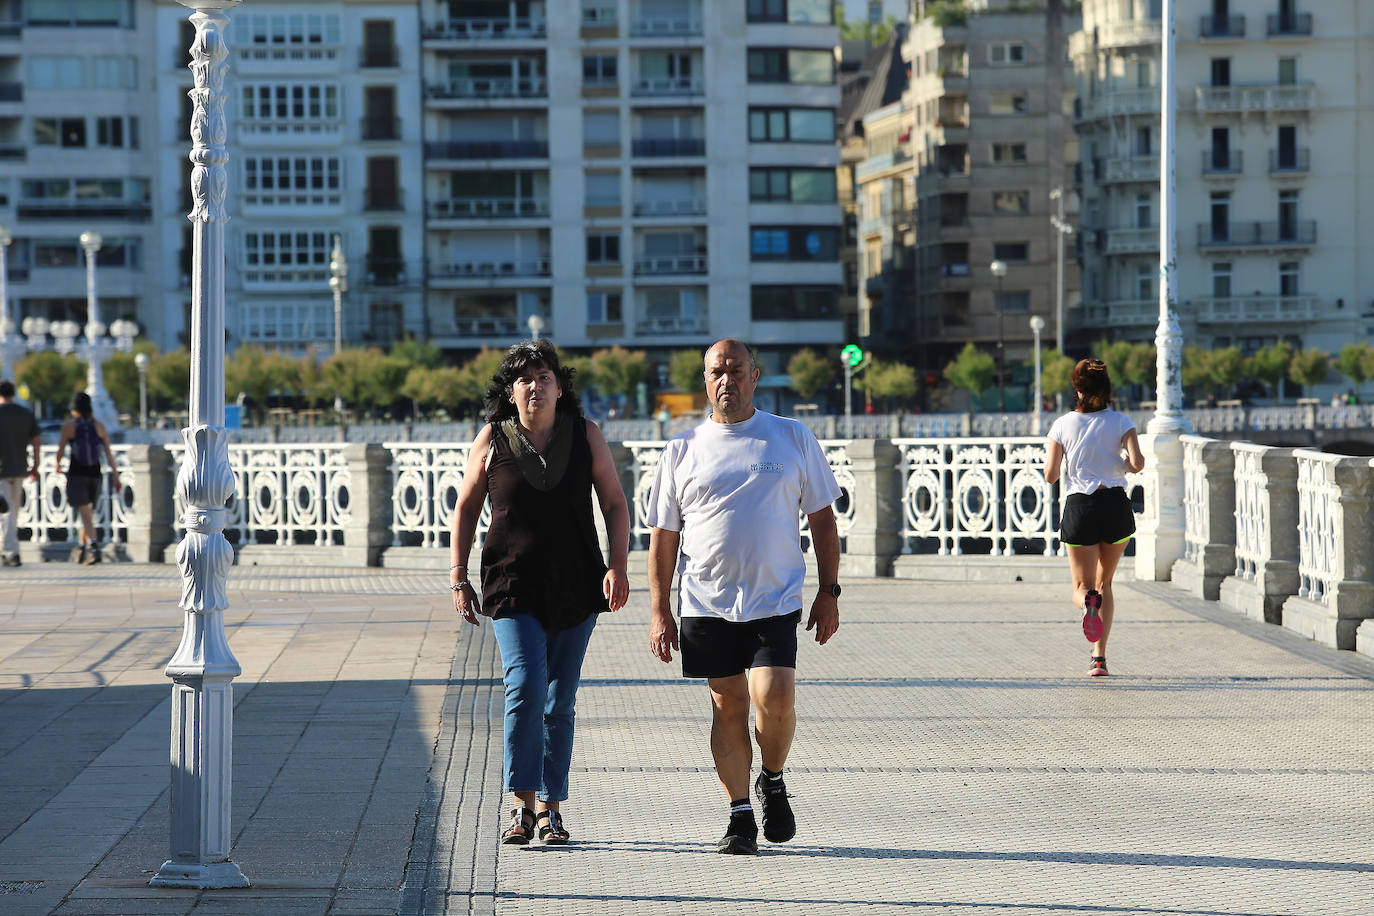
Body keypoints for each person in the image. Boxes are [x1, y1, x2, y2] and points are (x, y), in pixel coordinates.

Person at [646, 338, 842, 856]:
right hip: (705, 602)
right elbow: (663, 536)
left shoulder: (791, 437)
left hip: (774, 600)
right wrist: (659, 611)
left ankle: (772, 777)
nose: (726, 380)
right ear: (705, 379)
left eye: (736, 370)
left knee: (775, 697)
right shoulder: (682, 448)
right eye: (716, 372)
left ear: (756, 376)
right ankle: (739, 814)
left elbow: (823, 518)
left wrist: (829, 592)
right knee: (726, 704)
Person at [449, 339, 629, 847]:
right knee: (525, 687)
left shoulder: (586, 435)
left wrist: (617, 566)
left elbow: (615, 504)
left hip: (576, 584)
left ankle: (552, 809)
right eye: (524, 379)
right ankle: (520, 805)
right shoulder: (491, 439)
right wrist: (458, 576)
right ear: (510, 392)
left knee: (559, 700)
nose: (535, 386)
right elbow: (465, 508)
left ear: (558, 386)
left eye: (544, 376)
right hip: (511, 584)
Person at [1044, 359, 1145, 677]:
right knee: (1106, 583)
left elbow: (1050, 475)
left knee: (1083, 586)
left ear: (1077, 390)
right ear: (1106, 390)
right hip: (1115, 505)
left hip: (1080, 507)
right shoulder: (1121, 421)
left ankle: (1087, 601)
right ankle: (1098, 659)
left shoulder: (1062, 425)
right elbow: (1138, 463)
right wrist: (1122, 465)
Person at [54, 391, 120, 565]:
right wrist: (116, 475)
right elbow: (108, 453)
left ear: (74, 408)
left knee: (84, 513)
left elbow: (61, 450)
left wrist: (57, 464)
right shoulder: (99, 426)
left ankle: (93, 547)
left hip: (77, 474)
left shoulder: (69, 427)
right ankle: (82, 548)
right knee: (87, 514)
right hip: (95, 474)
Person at [0, 380, 40, 567]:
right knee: (13, 510)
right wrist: (36, 465)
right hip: (19, 468)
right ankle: (6, 548)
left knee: (6, 512)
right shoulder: (25, 413)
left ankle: (11, 552)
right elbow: (37, 441)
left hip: (2, 470)